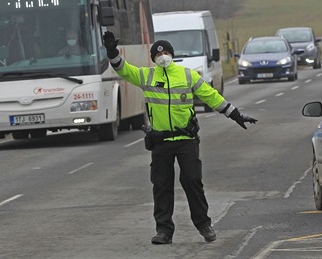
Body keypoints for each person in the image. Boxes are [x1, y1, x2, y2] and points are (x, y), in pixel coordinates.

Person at [103, 31, 257, 245]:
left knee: (192, 181)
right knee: (161, 185)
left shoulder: (187, 75)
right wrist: (112, 52)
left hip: (186, 140)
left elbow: (211, 96)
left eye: (166, 52)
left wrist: (235, 114)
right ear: (153, 59)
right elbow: (123, 69)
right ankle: (164, 231)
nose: (163, 56)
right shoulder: (147, 76)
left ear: (172, 55)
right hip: (161, 142)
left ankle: (204, 225)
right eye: (158, 54)